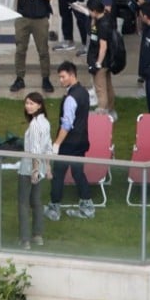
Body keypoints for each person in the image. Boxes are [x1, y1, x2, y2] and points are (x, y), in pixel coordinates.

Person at [44, 61, 94, 220]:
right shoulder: (84, 93)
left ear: (72, 75)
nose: (60, 80)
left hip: (69, 143)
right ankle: (87, 207)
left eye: (63, 77)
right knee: (78, 173)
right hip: (82, 141)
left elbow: (66, 124)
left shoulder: (71, 98)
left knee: (58, 174)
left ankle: (54, 208)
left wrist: (57, 144)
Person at [8, 0, 56, 94]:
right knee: (20, 49)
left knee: (43, 50)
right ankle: (19, 78)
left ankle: (46, 78)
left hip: (40, 18)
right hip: (23, 17)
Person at [18, 92, 52, 250]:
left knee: (24, 203)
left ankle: (25, 239)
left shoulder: (34, 125)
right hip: (40, 169)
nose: (28, 106)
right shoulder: (45, 122)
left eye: (31, 103)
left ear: (39, 105)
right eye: (27, 103)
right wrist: (48, 167)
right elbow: (48, 147)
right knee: (37, 202)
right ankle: (37, 235)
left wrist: (35, 170)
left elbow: (36, 149)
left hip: (29, 169)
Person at [86, 0, 118, 122]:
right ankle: (110, 109)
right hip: (105, 60)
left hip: (101, 60)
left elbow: (103, 46)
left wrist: (98, 63)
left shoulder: (103, 25)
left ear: (94, 10)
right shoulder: (102, 19)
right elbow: (92, 31)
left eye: (90, 11)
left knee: (100, 88)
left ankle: (102, 112)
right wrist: (93, 20)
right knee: (108, 85)